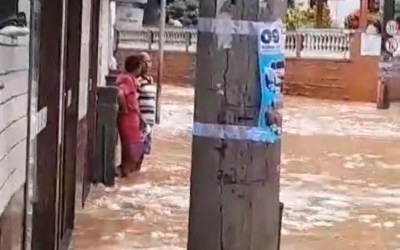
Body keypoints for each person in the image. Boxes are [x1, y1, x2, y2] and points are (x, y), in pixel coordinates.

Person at [116, 55, 145, 177]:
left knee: (132, 150)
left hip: (133, 119)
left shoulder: (130, 79)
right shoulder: (127, 79)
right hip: (128, 120)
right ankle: (125, 176)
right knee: (132, 151)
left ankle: (126, 176)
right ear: (138, 67)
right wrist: (125, 109)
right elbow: (120, 93)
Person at [135, 52, 157, 171]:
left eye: (150, 61)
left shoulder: (150, 80)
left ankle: (135, 177)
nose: (149, 64)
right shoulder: (137, 81)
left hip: (149, 122)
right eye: (146, 62)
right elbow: (134, 101)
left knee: (143, 152)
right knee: (137, 153)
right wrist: (140, 119)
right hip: (141, 122)